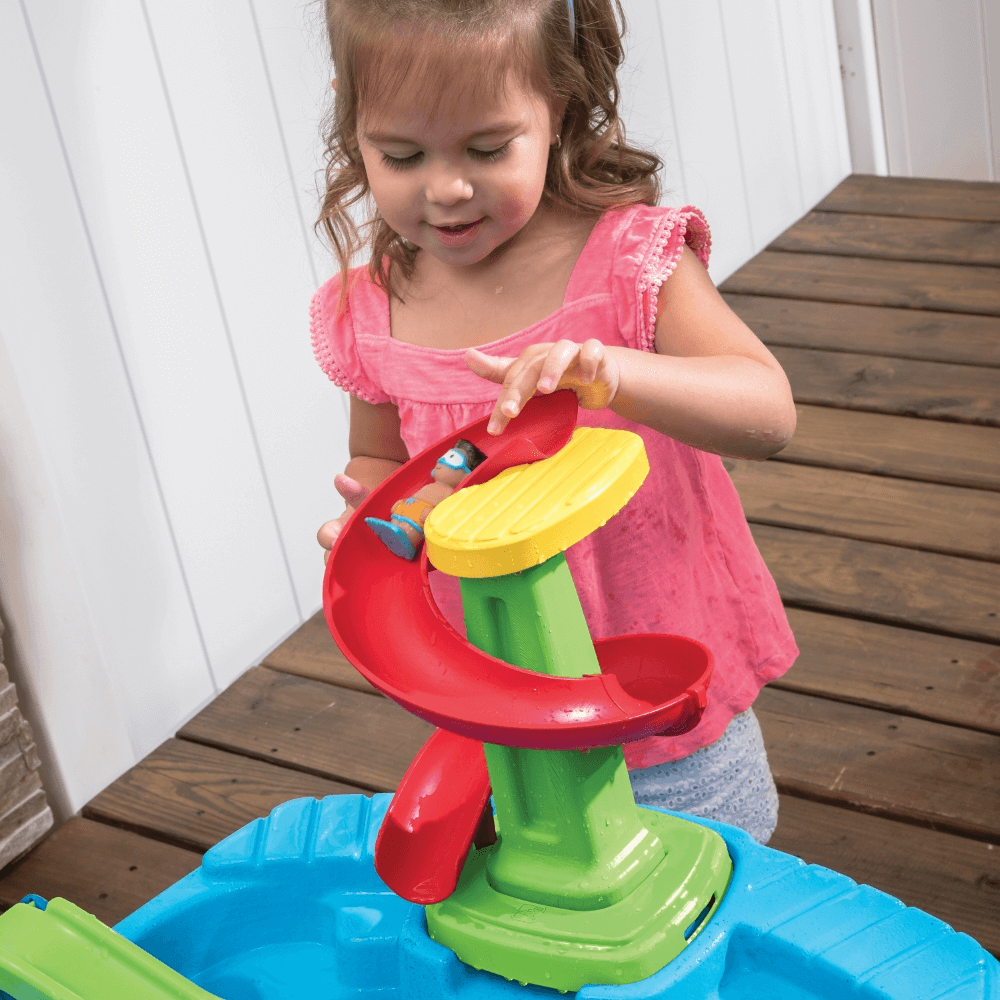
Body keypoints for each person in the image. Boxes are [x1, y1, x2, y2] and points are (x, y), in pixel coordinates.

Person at [311, 0, 798, 844]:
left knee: (710, 910)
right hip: (500, 714)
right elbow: (380, 456)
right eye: (401, 154)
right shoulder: (373, 310)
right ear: (354, 126)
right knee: (551, 933)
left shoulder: (630, 265)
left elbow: (768, 410)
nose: (446, 186)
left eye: (488, 148)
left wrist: (618, 372)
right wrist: (368, 514)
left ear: (559, 108)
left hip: (668, 704)